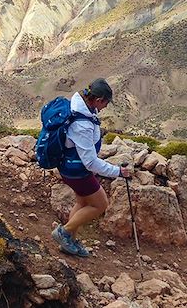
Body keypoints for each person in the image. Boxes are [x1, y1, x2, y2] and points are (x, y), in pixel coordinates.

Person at [51, 78, 132, 257]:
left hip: (68, 166)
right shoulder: (82, 124)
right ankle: (64, 232)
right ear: (98, 100)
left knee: (82, 202)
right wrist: (118, 171)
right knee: (101, 204)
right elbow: (90, 162)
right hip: (78, 171)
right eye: (105, 104)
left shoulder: (79, 106)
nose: (105, 108)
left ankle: (68, 241)